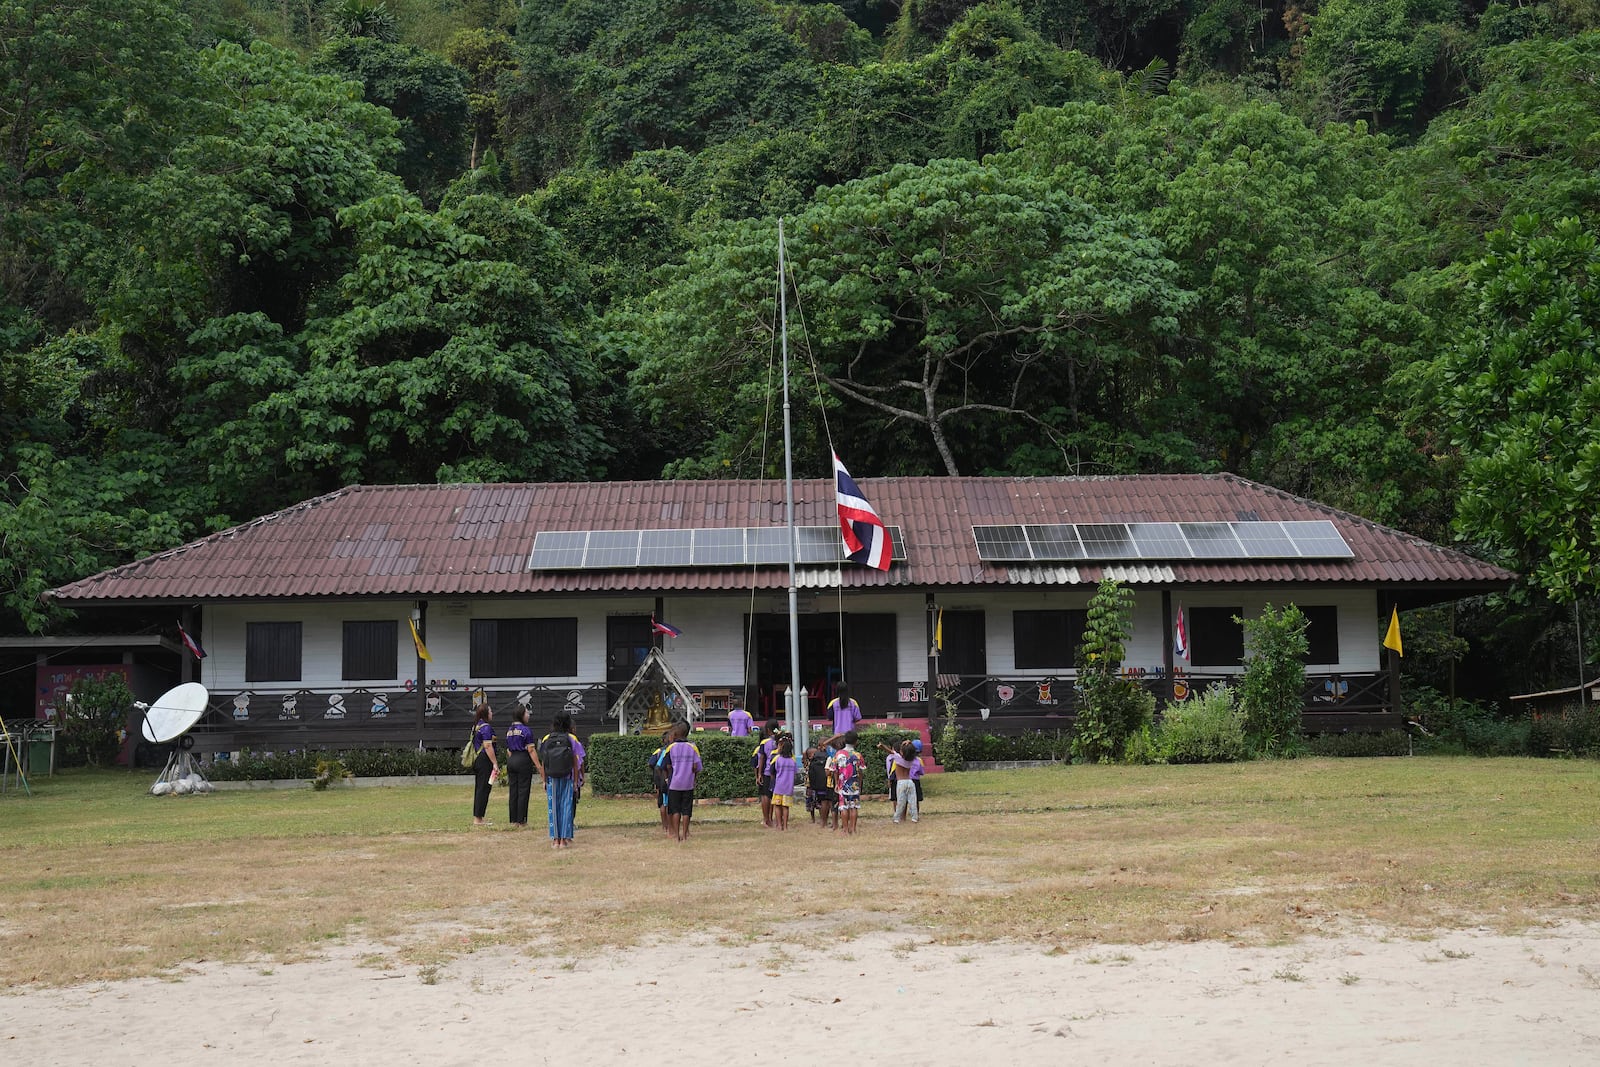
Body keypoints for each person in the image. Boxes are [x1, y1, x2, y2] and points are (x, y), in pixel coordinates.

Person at [535, 711, 585, 849]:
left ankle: (555, 840)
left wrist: (544, 780)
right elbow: (577, 763)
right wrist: (576, 781)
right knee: (566, 807)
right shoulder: (571, 739)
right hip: (567, 777)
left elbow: (544, 761)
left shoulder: (547, 738)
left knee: (553, 808)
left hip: (552, 778)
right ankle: (564, 840)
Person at [663, 720, 702, 843]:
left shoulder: (671, 747)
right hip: (688, 784)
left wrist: (668, 776)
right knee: (686, 810)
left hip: (675, 784)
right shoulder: (693, 747)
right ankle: (685, 835)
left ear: (676, 733)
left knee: (675, 810)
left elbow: (666, 765)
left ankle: (677, 836)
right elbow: (697, 767)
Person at [826, 731, 866, 834]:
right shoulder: (858, 755)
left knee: (843, 806)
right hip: (854, 784)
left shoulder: (838, 754)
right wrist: (860, 783)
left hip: (842, 784)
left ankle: (845, 829)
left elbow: (834, 770)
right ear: (856, 742)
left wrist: (836, 783)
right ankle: (853, 829)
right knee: (853, 806)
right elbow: (861, 771)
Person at [469, 702, 499, 827]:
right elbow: (487, 745)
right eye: (490, 711)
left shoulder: (476, 726)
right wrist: (495, 763)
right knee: (483, 788)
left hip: (477, 759)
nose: (492, 713)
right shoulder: (486, 727)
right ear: (486, 713)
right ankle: (478, 818)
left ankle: (479, 816)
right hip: (484, 760)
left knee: (480, 788)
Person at [505, 706, 535, 828]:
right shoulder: (526, 730)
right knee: (523, 790)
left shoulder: (509, 730)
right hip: (523, 759)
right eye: (527, 713)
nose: (528, 715)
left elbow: (508, 750)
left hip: (511, 760)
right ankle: (522, 820)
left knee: (513, 791)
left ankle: (513, 820)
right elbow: (531, 750)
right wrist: (538, 766)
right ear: (521, 715)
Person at [877, 739, 920, 823]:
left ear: (902, 752)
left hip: (901, 783)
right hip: (910, 782)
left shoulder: (898, 758)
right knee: (913, 801)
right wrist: (909, 743)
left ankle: (897, 818)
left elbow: (889, 751)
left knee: (900, 801)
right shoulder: (911, 759)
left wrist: (882, 746)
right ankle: (915, 817)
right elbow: (911, 750)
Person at [752, 719, 780, 828]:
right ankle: (772, 818)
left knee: (765, 796)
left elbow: (761, 758)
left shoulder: (764, 743)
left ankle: (766, 819)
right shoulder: (780, 741)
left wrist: (759, 774)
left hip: (767, 771)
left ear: (768, 730)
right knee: (773, 796)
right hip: (777, 771)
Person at [768, 736, 799, 830]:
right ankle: (785, 826)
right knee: (786, 807)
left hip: (778, 786)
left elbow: (772, 771)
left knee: (777, 806)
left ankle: (779, 825)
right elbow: (795, 773)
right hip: (788, 787)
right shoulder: (793, 761)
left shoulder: (778, 759)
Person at [807, 742, 837, 830]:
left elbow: (811, 773)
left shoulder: (814, 758)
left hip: (819, 784)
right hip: (830, 783)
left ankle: (823, 823)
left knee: (823, 802)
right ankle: (835, 824)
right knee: (832, 803)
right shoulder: (831, 756)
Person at [649, 734, 672, 836]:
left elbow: (651, 763)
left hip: (661, 779)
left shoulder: (659, 751)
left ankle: (665, 826)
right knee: (668, 803)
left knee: (663, 802)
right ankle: (669, 826)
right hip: (667, 779)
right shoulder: (668, 751)